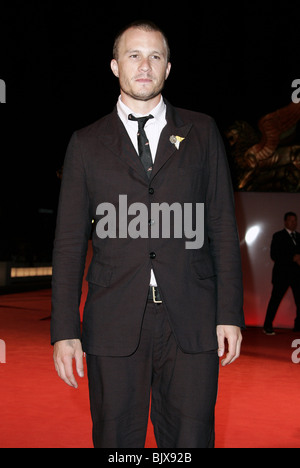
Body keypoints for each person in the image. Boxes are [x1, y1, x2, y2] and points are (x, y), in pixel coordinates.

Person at [51, 20, 244, 449]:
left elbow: (221, 229)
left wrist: (228, 312)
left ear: (168, 68)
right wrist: (65, 329)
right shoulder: (85, 143)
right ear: (115, 66)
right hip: (112, 320)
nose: (144, 65)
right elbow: (67, 244)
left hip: (192, 320)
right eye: (134, 55)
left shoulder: (203, 132)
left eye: (155, 56)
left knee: (192, 441)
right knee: (116, 442)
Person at [263, 212, 300, 335]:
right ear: (285, 222)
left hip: (297, 275)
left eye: (295, 221)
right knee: (275, 300)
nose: (293, 223)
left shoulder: (299, 237)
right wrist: (291, 258)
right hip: (282, 275)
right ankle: (267, 325)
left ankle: (298, 325)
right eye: (291, 220)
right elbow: (274, 255)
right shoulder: (278, 236)